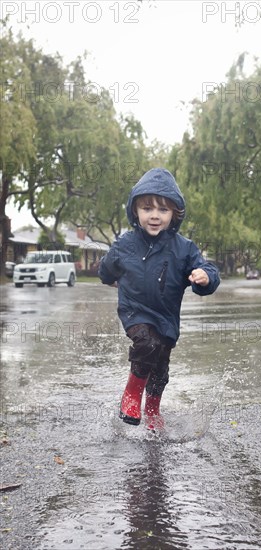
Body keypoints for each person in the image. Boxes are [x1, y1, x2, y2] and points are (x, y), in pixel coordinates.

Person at [98, 168, 220, 430]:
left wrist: (205, 277)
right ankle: (131, 394)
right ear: (135, 211)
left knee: (161, 369)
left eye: (163, 210)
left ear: (174, 214)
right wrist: (109, 275)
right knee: (147, 344)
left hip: (166, 318)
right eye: (147, 208)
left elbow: (207, 269)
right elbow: (105, 270)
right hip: (135, 312)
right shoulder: (125, 244)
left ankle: (152, 409)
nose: (154, 215)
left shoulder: (184, 248)